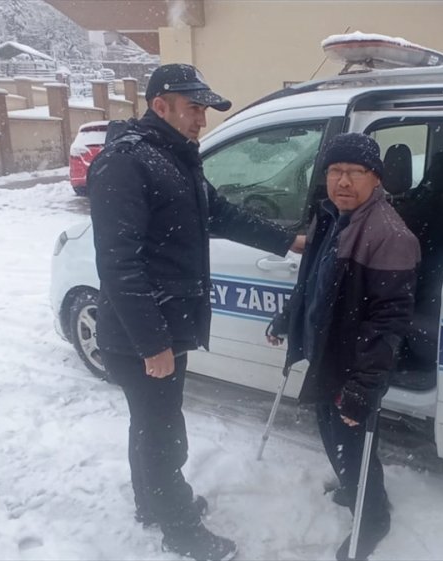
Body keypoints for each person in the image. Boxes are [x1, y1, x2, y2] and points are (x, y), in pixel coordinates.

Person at [87, 63, 305, 561]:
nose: (202, 119)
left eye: (204, 109)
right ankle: (180, 528)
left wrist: (287, 240)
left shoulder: (173, 157)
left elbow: (219, 213)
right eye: (193, 108)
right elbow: (118, 263)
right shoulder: (127, 162)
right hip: (141, 333)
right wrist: (153, 343)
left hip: (163, 324)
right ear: (159, 105)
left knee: (150, 424)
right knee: (163, 434)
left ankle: (152, 503)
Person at [267, 133, 420, 561]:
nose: (343, 181)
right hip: (326, 351)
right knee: (331, 431)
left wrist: (363, 386)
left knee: (352, 443)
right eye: (335, 171)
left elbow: (389, 321)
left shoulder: (389, 234)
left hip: (352, 362)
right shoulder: (330, 216)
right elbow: (310, 281)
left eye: (355, 172)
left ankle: (373, 516)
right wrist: (287, 318)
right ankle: (355, 488)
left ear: (376, 178)